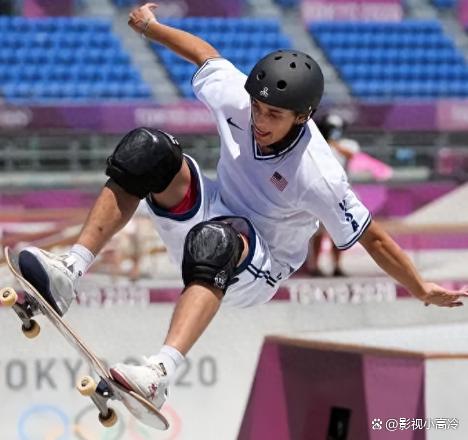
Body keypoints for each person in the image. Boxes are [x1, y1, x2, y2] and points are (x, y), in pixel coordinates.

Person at [16, 3, 468, 413]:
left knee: (216, 239)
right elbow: (205, 56)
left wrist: (420, 288)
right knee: (147, 149)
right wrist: (151, 27)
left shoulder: (319, 173)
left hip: (258, 267)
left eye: (274, 115)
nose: (259, 120)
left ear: (303, 117)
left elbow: (372, 236)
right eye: (257, 107)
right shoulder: (241, 100)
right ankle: (68, 273)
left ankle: (160, 373)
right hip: (210, 210)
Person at [306, 113, 359, 277]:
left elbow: (351, 154)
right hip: (320, 194)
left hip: (340, 195)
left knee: (340, 234)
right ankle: (314, 266)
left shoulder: (347, 144)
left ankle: (337, 266)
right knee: (318, 234)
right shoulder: (317, 144)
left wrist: (332, 142)